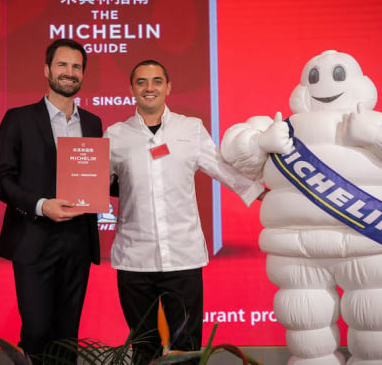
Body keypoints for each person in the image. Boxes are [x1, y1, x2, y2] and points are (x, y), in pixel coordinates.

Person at [104, 60, 264, 364]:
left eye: (156, 81)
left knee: (187, 349)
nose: (149, 88)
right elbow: (96, 183)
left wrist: (258, 192)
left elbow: (220, 167)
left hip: (183, 255)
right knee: (143, 347)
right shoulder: (115, 135)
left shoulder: (190, 128)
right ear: (131, 89)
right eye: (141, 82)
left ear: (168, 87)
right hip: (134, 259)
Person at [0, 39, 103, 363]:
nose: (69, 73)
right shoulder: (18, 118)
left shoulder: (93, 123)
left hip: (78, 242)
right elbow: (2, 179)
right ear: (47, 70)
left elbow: (97, 176)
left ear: (83, 74)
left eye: (76, 67)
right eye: (62, 65)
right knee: (37, 332)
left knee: (68, 336)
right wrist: (42, 205)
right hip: (33, 239)